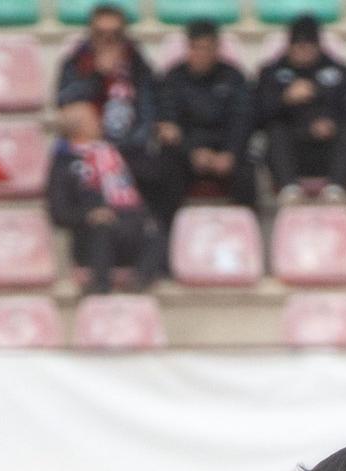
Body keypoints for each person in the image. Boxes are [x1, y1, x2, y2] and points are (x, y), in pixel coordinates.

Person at [47, 94, 164, 295]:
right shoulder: (63, 164)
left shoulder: (115, 154)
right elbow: (59, 212)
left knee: (155, 231)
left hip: (128, 227)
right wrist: (89, 215)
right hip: (92, 235)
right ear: (79, 127)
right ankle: (99, 291)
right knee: (103, 227)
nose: (99, 122)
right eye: (93, 118)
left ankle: (139, 285)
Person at [153, 19, 256, 226]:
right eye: (196, 48)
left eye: (207, 48)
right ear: (188, 48)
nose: (201, 54)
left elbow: (242, 119)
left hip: (225, 150)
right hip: (186, 152)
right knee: (165, 167)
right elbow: (169, 126)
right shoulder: (173, 79)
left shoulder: (233, 77)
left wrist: (230, 153)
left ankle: (244, 237)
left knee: (247, 173)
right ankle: (165, 238)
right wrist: (192, 152)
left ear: (217, 49)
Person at [255, 15, 346, 205]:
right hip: (292, 149)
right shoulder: (271, 73)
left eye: (308, 47)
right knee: (276, 130)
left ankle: (336, 187)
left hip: (328, 149)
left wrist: (331, 124)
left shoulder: (340, 71)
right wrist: (285, 99)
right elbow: (257, 117)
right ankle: (288, 188)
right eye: (298, 47)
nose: (303, 52)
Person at [55, 3, 158, 167]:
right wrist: (98, 75)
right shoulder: (76, 61)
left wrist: (121, 149)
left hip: (130, 150)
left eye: (115, 34)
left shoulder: (137, 64)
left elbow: (148, 114)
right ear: (91, 34)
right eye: (100, 34)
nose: (107, 41)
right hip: (86, 149)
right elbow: (66, 104)